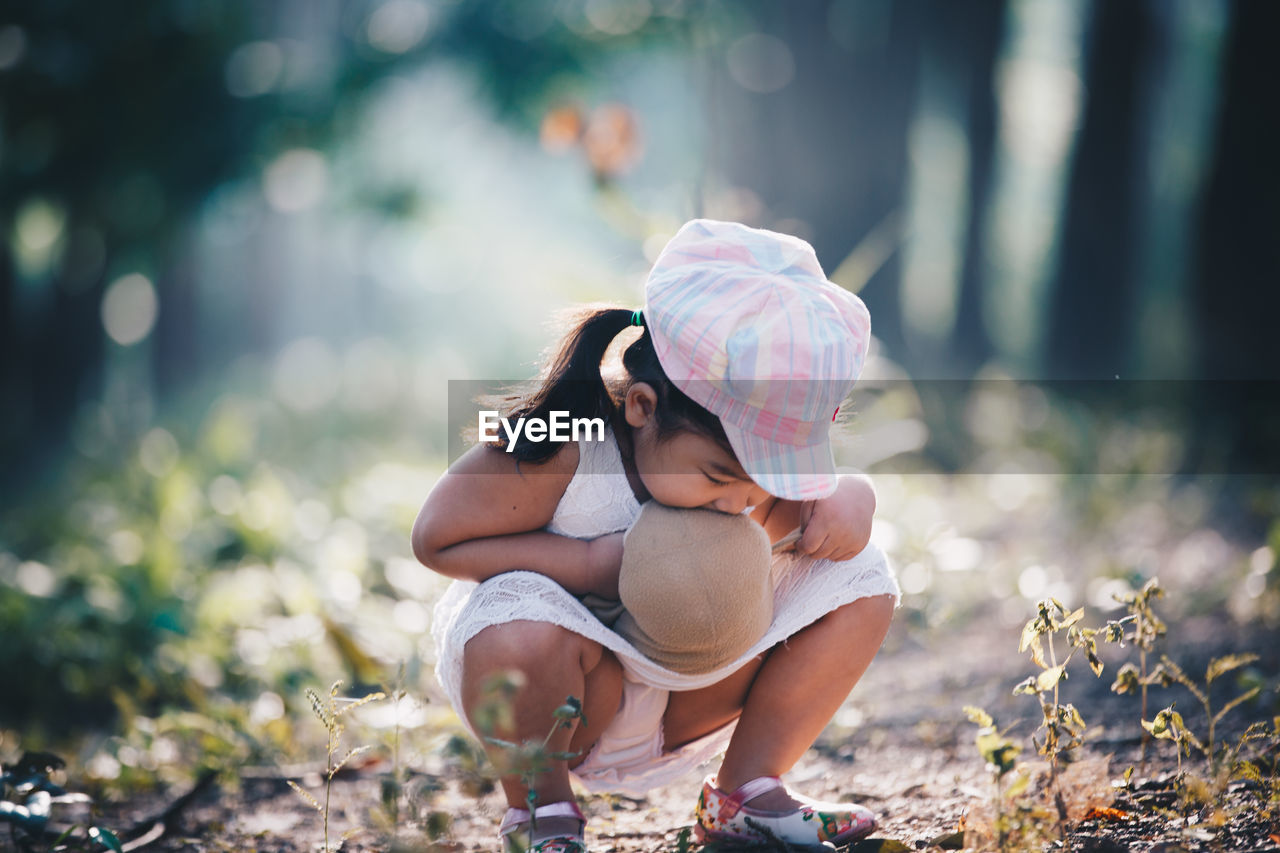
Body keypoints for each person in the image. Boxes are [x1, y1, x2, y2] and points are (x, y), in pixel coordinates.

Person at [412, 219, 900, 852]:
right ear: (641, 407)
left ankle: (745, 792)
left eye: (765, 479)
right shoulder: (562, 439)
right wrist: (587, 563)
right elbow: (437, 538)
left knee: (860, 576)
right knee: (513, 621)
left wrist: (852, 496)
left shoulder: (745, 479)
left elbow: (809, 525)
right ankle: (542, 811)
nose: (743, 501)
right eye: (720, 475)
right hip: (575, 693)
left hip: (689, 694)